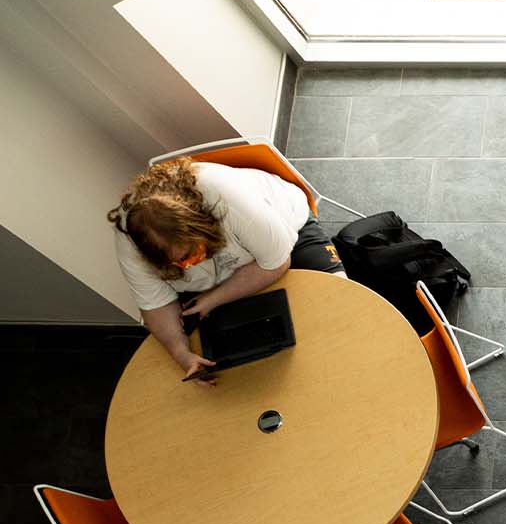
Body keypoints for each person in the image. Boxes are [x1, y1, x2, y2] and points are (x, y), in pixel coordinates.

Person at [108, 156, 345, 384]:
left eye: (195, 253)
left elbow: (276, 263)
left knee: (340, 304)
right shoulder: (131, 242)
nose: (193, 264)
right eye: (181, 263)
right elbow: (155, 305)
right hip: (211, 284)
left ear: (202, 224)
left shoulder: (227, 198)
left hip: (288, 235)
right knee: (232, 367)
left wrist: (213, 300)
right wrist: (181, 354)